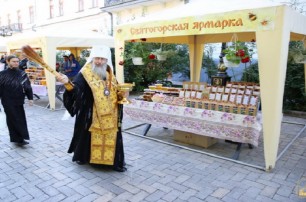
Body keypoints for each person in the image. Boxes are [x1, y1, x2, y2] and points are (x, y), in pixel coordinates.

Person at [56, 46, 126, 172]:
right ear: (92, 59)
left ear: (107, 60)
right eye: (96, 58)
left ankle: (112, 161)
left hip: (111, 113)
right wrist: (68, 83)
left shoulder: (109, 72)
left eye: (102, 59)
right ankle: (86, 157)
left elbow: (114, 89)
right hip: (91, 112)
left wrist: (121, 94)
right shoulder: (85, 73)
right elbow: (76, 90)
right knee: (88, 134)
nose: (99, 61)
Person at [0, 55, 33, 146]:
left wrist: (30, 98)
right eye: (13, 61)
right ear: (8, 62)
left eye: (17, 61)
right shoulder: (2, 74)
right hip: (7, 100)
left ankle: (17, 138)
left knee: (20, 118)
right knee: (13, 118)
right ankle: (19, 139)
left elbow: (27, 86)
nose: (16, 63)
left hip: (19, 100)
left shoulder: (22, 73)